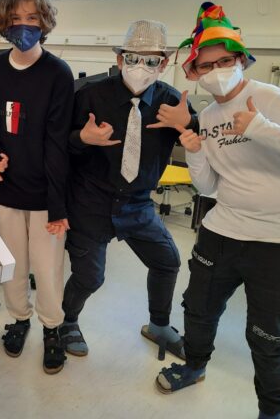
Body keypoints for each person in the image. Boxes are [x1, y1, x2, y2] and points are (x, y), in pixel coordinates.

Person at [155, 2, 280, 419]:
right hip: (223, 230)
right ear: (194, 72)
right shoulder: (208, 116)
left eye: (225, 61)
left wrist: (260, 128)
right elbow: (209, 187)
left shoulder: (268, 98)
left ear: (241, 60)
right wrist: (194, 151)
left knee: (268, 335)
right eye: (207, 65)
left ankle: (271, 411)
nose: (218, 70)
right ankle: (194, 366)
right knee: (198, 308)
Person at [60, 19, 197, 360]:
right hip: (91, 202)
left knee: (167, 260)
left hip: (137, 204)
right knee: (90, 277)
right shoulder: (89, 96)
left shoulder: (170, 101)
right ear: (120, 59)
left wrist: (189, 123)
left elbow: (197, 139)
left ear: (164, 63)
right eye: (133, 59)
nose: (140, 67)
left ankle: (159, 325)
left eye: (151, 60)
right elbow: (60, 146)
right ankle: (67, 322)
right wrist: (81, 138)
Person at [0, 0, 74, 374]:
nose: (23, 26)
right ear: (3, 23)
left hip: (46, 196)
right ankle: (19, 319)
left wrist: (58, 205)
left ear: (45, 22)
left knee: (47, 272)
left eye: (32, 18)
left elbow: (58, 143)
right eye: (15, 18)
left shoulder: (57, 73)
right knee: (13, 266)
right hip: (5, 191)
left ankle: (52, 328)